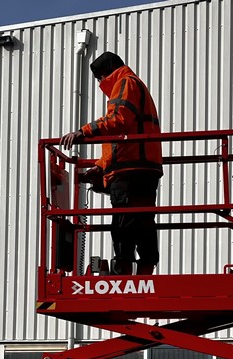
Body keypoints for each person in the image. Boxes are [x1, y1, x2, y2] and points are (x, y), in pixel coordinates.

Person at [60, 52, 162, 276]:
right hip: (143, 166)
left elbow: (118, 120)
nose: (100, 83)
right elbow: (121, 137)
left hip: (130, 170)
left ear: (106, 72)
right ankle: (145, 267)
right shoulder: (134, 84)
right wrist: (101, 166)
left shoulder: (125, 83)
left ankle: (123, 268)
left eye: (99, 78)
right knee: (143, 219)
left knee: (124, 222)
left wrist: (83, 132)